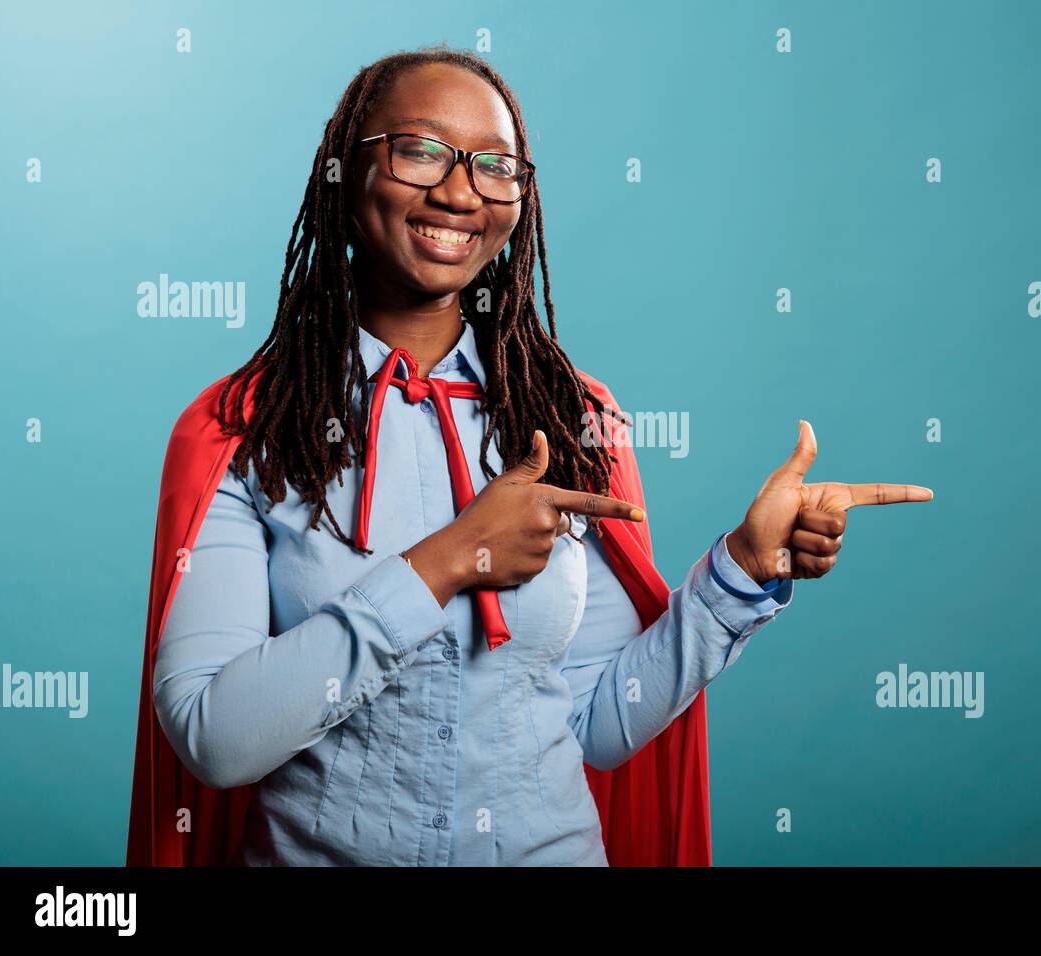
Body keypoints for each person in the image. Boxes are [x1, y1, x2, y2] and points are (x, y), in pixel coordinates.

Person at [129, 46, 933, 867]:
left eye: (495, 166)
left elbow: (596, 723)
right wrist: (446, 561)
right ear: (345, 170)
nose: (458, 190)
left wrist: (738, 573)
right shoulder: (253, 426)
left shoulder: (570, 415)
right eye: (419, 150)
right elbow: (215, 738)